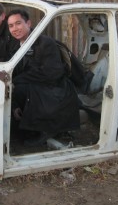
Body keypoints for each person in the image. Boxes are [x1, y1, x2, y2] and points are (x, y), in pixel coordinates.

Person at [7, 9, 80, 146]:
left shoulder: (45, 43)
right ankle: (24, 126)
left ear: (28, 23)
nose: (15, 29)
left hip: (56, 89)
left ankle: (45, 130)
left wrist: (18, 81)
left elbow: (52, 73)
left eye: (18, 23)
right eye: (11, 26)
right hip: (36, 86)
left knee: (19, 87)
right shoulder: (15, 45)